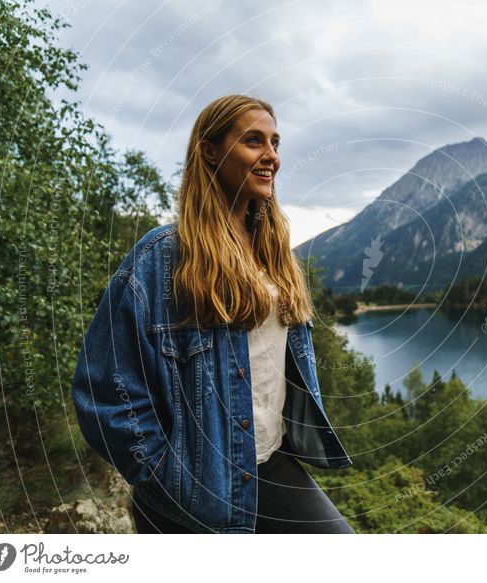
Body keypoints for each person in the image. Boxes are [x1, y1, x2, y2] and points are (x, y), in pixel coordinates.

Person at [71, 94, 355, 534]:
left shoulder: (274, 253)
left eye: (276, 143)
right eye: (253, 141)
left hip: (270, 461)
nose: (271, 157)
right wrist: (168, 475)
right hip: (197, 487)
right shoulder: (162, 256)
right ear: (210, 150)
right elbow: (104, 388)